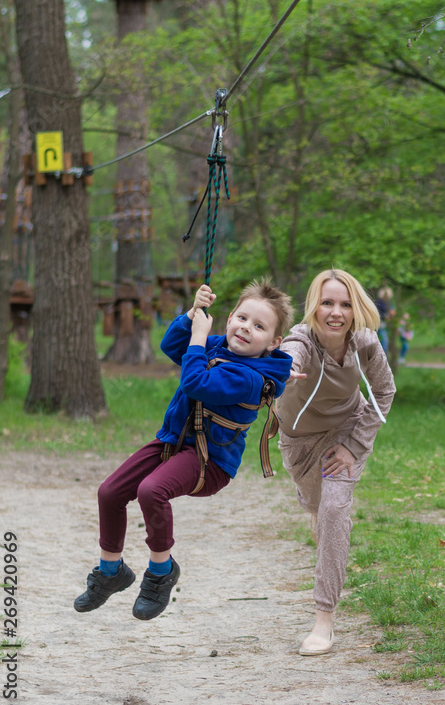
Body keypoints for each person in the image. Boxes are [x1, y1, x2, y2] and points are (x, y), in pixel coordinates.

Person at [74, 279, 293, 621]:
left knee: (151, 491)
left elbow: (196, 382)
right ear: (229, 317)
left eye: (259, 326)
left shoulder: (250, 379)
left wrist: (198, 339)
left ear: (273, 342)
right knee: (110, 491)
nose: (246, 328)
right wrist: (192, 315)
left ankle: (161, 573)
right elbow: (171, 346)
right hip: (173, 443)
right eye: (242, 318)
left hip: (210, 462)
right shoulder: (216, 346)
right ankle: (110, 570)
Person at [276, 269, 396, 655]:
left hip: (347, 430)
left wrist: (354, 445)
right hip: (300, 440)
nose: (336, 312)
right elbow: (288, 352)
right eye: (327, 302)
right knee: (316, 506)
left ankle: (323, 620)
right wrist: (283, 368)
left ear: (356, 308)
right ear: (314, 305)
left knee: (333, 510)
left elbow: (385, 390)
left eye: (345, 304)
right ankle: (316, 510)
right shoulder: (301, 340)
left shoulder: (364, 343)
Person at [375, 286, 394, 352]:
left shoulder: (389, 303)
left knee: (385, 342)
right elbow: (378, 313)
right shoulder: (379, 302)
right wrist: (386, 316)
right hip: (380, 325)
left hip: (386, 325)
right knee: (383, 342)